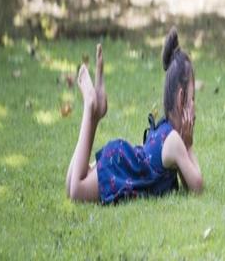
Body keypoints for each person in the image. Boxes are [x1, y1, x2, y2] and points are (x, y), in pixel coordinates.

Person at [65, 28, 203, 203]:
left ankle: (96, 114)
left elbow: (187, 183)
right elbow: (197, 187)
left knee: (71, 183)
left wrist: (186, 143)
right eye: (192, 98)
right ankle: (90, 105)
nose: (194, 106)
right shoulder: (174, 141)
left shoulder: (168, 134)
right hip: (121, 168)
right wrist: (189, 146)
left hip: (120, 160)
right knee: (76, 192)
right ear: (181, 97)